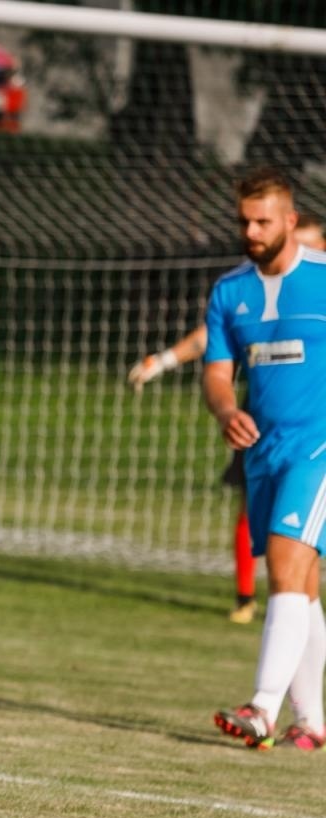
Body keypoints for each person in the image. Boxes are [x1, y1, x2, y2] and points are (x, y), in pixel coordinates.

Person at [126, 214, 325, 625]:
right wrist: (163, 360)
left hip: (316, 437)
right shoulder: (253, 294)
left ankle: (269, 692)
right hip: (266, 426)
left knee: (297, 563)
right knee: (284, 560)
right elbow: (211, 338)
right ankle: (245, 596)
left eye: (310, 248)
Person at [204, 168, 326, 752]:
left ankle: (263, 709)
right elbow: (217, 374)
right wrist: (227, 411)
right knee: (300, 585)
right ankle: (314, 719)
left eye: (263, 221)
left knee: (283, 563)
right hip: (263, 453)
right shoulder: (230, 292)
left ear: (291, 220)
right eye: (244, 221)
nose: (251, 231)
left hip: (319, 449)